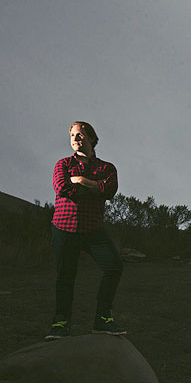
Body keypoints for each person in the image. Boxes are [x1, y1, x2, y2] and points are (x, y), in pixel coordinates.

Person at [45, 121, 126, 340]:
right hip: (64, 228)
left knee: (114, 266)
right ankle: (61, 323)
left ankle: (103, 320)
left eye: (79, 135)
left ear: (91, 138)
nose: (75, 139)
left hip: (93, 229)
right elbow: (63, 188)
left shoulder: (107, 168)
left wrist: (81, 180)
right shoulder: (62, 164)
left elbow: (109, 190)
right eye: (72, 135)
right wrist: (94, 188)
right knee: (65, 276)